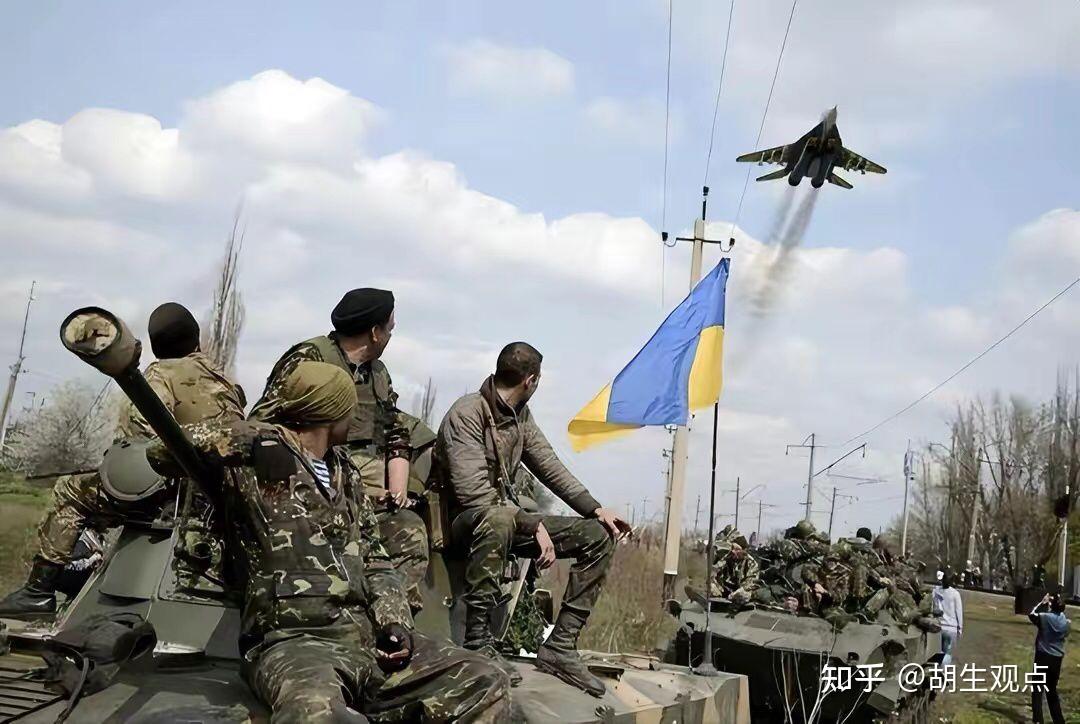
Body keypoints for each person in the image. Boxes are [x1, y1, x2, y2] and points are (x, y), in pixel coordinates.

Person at [151, 361, 511, 722]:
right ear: (330, 411)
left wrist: (394, 624)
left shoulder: (346, 473)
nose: (355, 416)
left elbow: (375, 558)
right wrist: (252, 439)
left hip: (364, 639)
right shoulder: (250, 465)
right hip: (293, 644)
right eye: (349, 406)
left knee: (483, 678)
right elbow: (160, 452)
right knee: (315, 714)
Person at [0, 302, 245, 617]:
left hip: (175, 495)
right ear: (197, 340)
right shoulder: (222, 380)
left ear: (155, 347)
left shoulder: (161, 373)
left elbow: (138, 446)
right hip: (223, 494)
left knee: (70, 490)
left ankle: (38, 592)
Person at [434, 342, 629, 696]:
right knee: (498, 520)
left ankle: (560, 647)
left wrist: (594, 508)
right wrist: (531, 524)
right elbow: (472, 496)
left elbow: (549, 465)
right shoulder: (467, 413)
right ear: (531, 380)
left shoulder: (519, 417)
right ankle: (478, 643)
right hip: (461, 524)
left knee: (596, 536)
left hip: (505, 520)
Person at [251, 288, 429, 610]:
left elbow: (395, 429)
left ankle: (391, 621)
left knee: (409, 529)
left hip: (361, 485)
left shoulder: (378, 373)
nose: (391, 335)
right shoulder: (309, 359)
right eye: (389, 328)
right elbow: (263, 421)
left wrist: (398, 488)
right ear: (375, 333)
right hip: (307, 481)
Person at [1028, 591, 1070, 724]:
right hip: (1057, 659)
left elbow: (1031, 614)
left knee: (1037, 690)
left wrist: (1043, 602)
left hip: (1043, 656)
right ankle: (1059, 720)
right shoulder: (1066, 622)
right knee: (1052, 691)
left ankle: (1038, 720)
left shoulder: (1045, 617)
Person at [932, 572, 963, 665]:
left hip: (938, 625)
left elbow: (934, 606)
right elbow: (959, 611)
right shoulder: (955, 594)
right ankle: (943, 673)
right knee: (947, 653)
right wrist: (960, 628)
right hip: (951, 627)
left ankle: (936, 672)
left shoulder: (936, 591)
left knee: (939, 652)